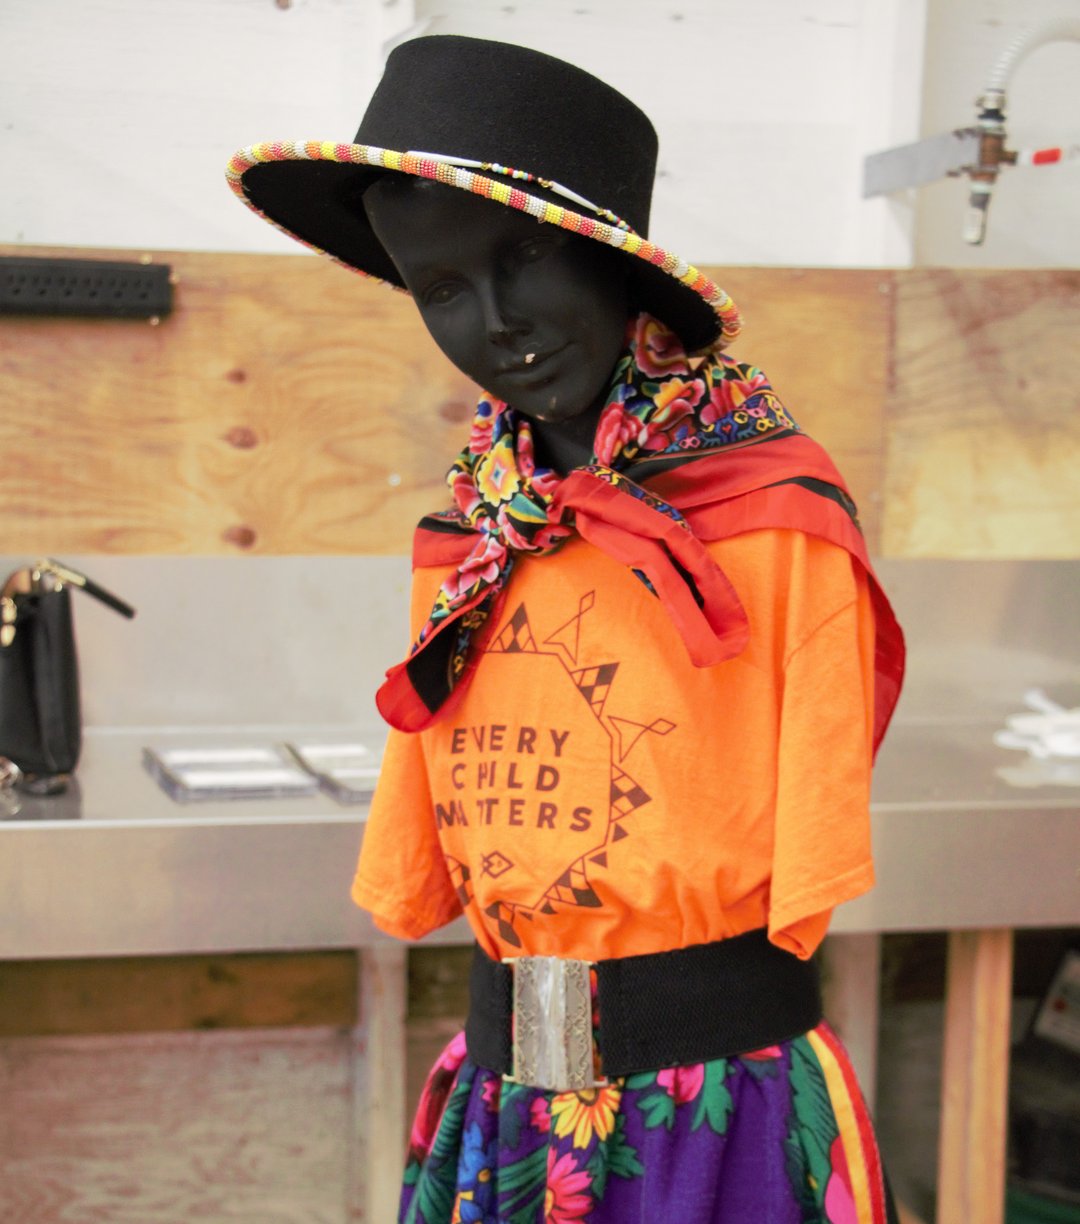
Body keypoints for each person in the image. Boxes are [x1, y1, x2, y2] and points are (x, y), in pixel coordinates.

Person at [227, 34, 905, 1223]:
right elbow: (420, 833)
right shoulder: (477, 530)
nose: (496, 322)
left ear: (615, 266)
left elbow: (810, 858)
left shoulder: (771, 515)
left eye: (527, 260)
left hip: (713, 1108)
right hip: (504, 1103)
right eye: (439, 287)